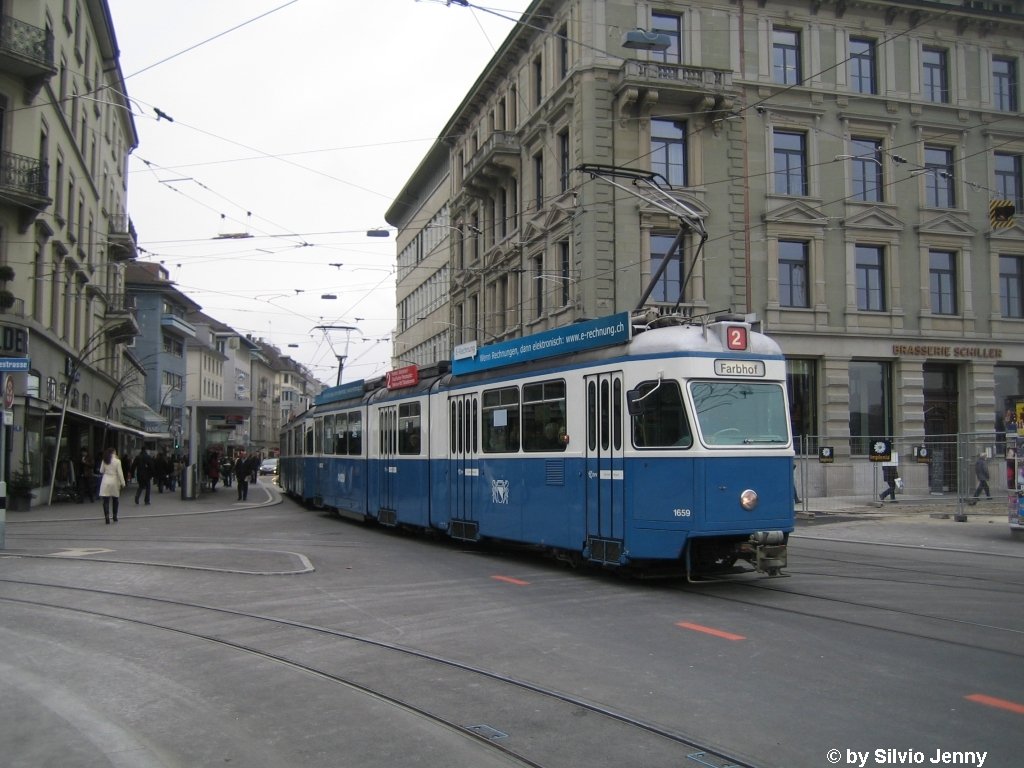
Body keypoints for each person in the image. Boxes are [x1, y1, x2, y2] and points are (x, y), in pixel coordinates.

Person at [98, 447, 126, 524]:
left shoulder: (104, 460)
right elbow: (120, 473)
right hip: (114, 481)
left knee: (106, 500)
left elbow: (101, 471)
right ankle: (115, 516)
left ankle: (107, 517)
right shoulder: (117, 461)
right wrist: (123, 483)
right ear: (114, 452)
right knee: (115, 499)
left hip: (105, 480)